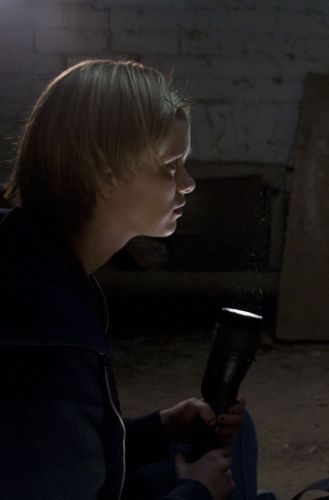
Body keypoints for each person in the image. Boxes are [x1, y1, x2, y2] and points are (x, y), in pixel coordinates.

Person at [0, 60, 260, 499]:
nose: (189, 183)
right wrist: (195, 493)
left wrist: (158, 429)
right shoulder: (50, 342)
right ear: (104, 173)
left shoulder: (30, 258)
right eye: (171, 166)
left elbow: (62, 454)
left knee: (230, 432)